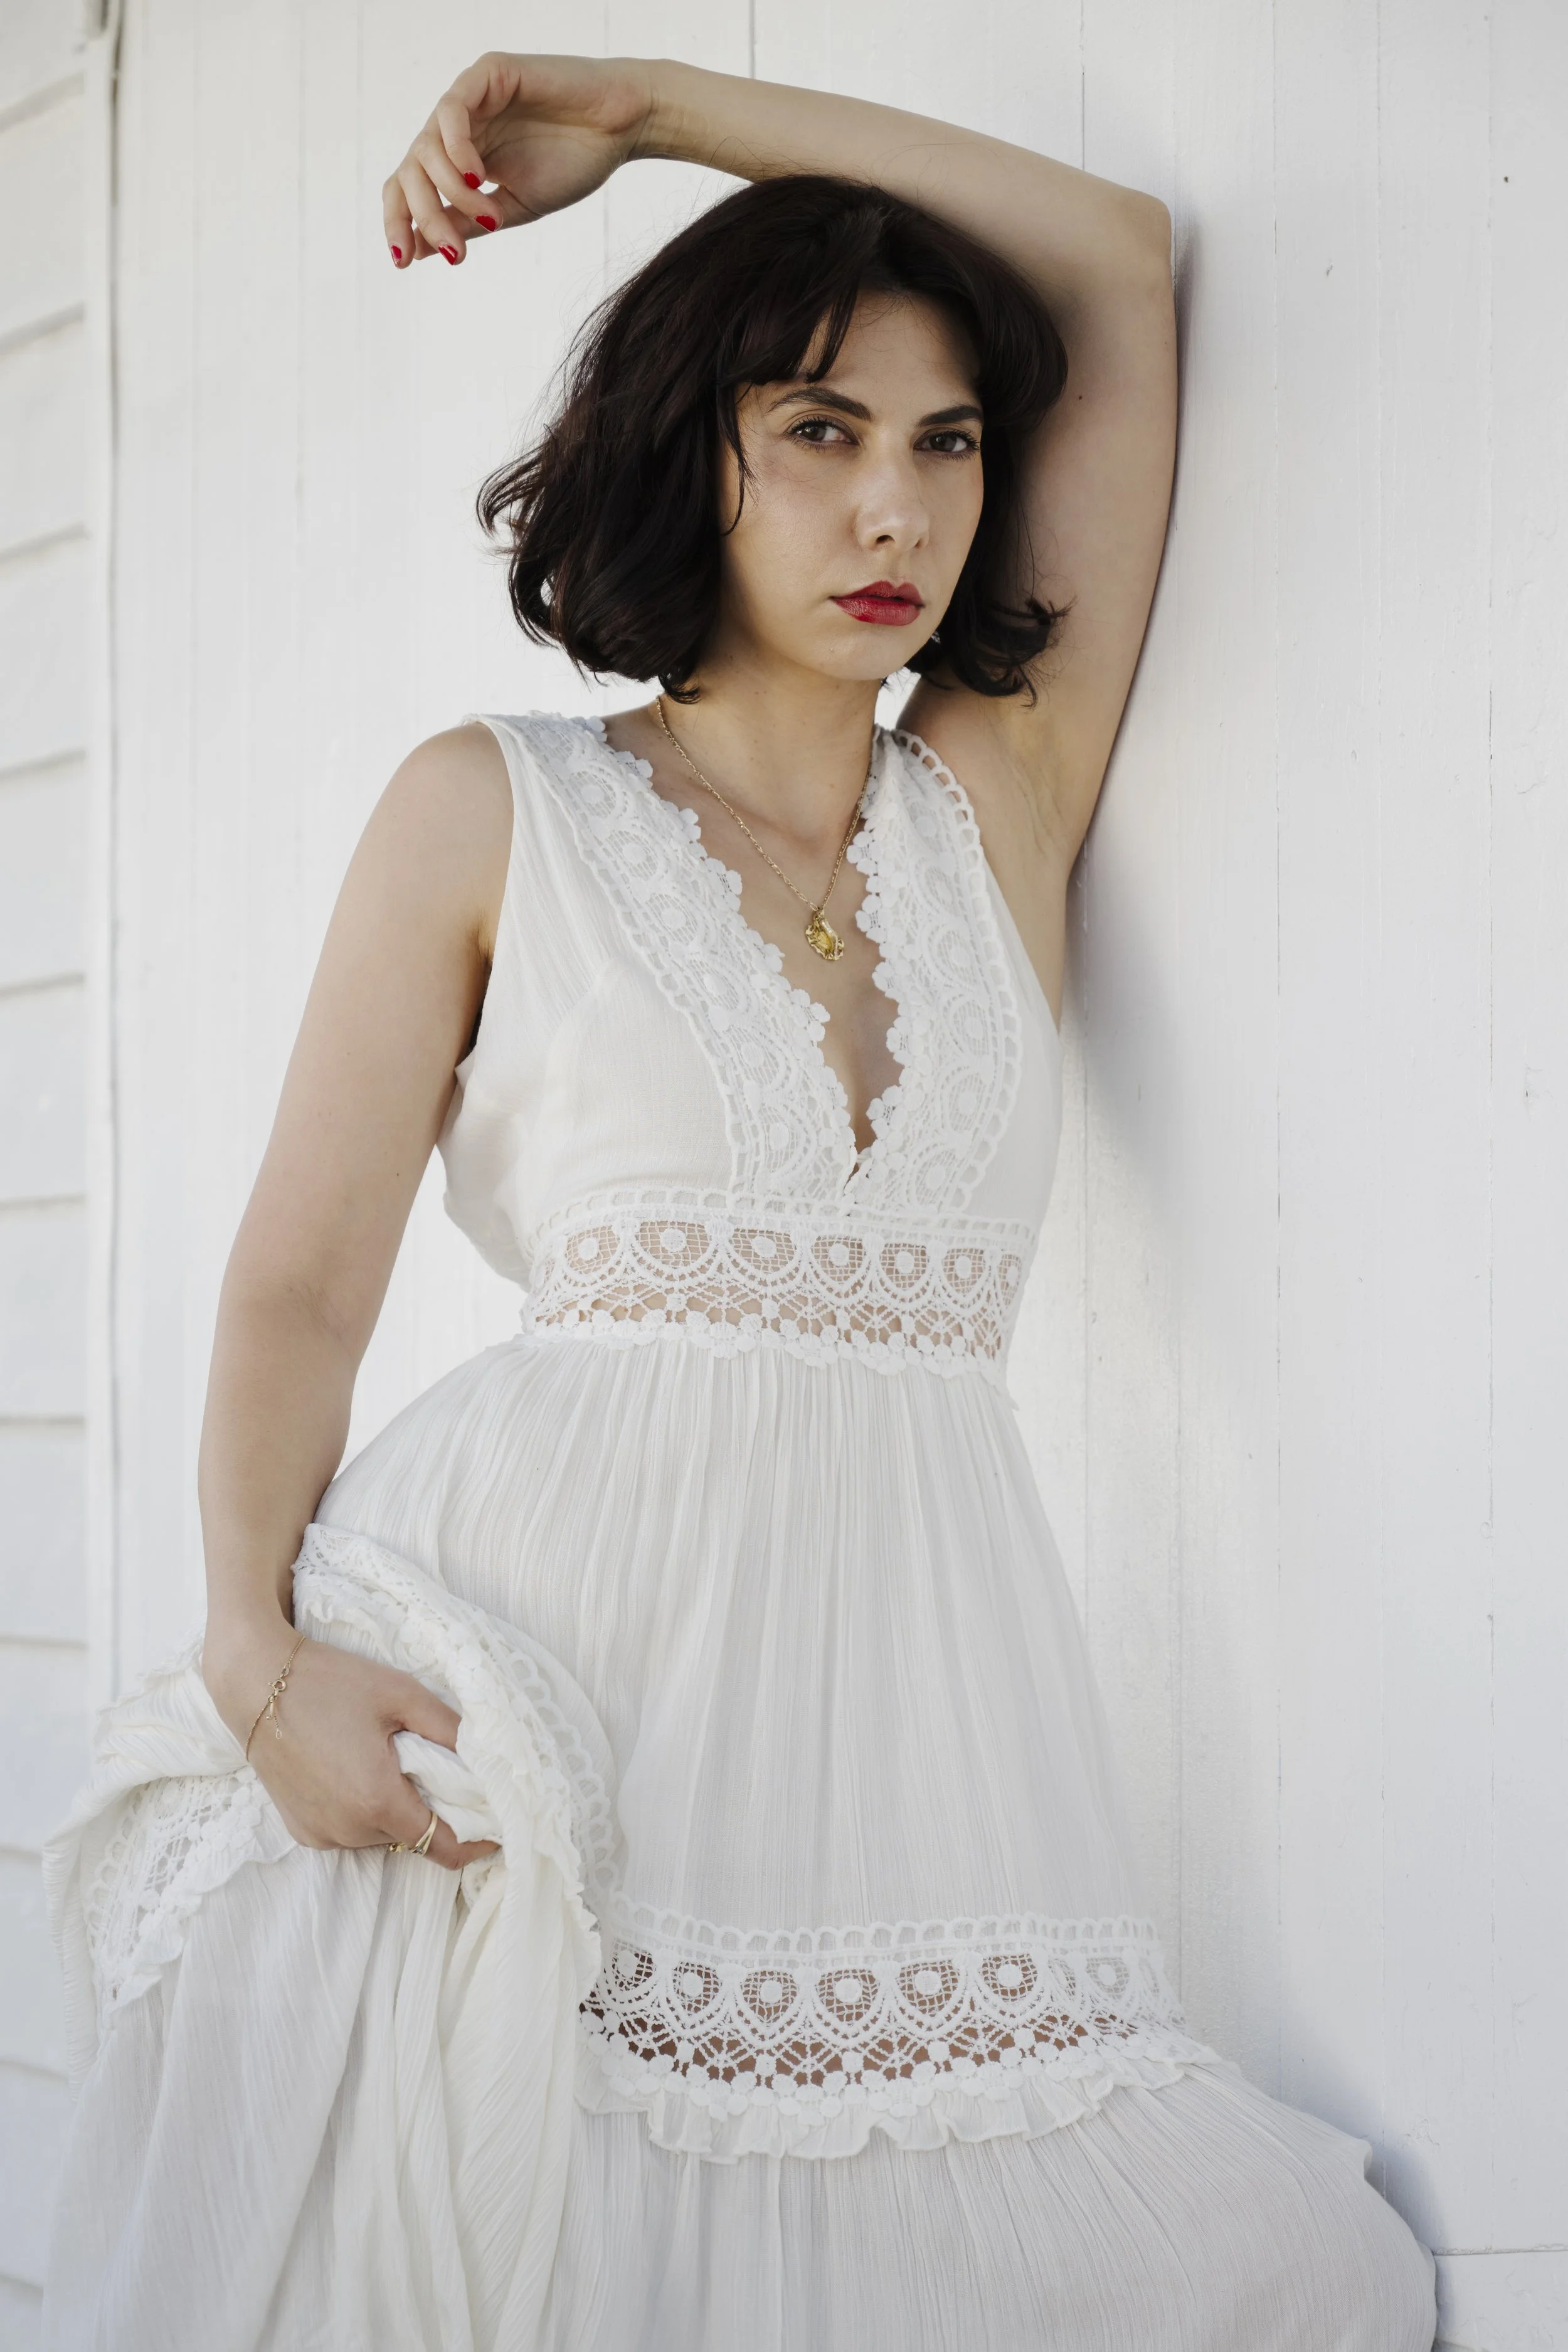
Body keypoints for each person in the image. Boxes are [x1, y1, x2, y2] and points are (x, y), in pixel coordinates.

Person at [42, 51, 1437, 2352]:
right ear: (692, 447)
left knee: (1282, 2273)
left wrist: (661, 111)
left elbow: (1110, 258)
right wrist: (250, 1646)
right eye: (816, 427)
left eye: (945, 441)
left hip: (906, 1753)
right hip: (524, 1715)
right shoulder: (488, 807)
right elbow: (299, 1279)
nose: (894, 504)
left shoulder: (996, 797)